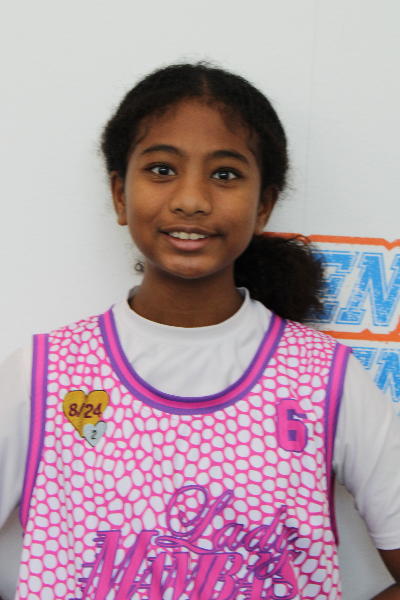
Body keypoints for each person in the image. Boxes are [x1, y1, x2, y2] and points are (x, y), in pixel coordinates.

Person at [1, 62, 400, 600]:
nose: (191, 199)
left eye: (225, 174)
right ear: (120, 194)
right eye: (162, 169)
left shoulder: (323, 378)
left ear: (264, 205)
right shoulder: (43, 375)